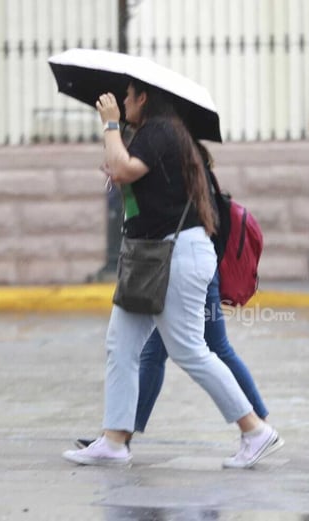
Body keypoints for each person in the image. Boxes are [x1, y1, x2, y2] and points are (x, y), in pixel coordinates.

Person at [62, 80, 283, 469]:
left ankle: (255, 430)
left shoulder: (162, 130)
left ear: (143, 98)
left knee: (190, 349)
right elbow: (126, 174)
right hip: (150, 257)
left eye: (127, 97)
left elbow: (125, 168)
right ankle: (114, 441)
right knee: (122, 345)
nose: (123, 103)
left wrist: (110, 126)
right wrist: (117, 143)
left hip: (176, 254)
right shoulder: (154, 133)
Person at [74, 145, 269, 444]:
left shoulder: (178, 159)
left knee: (209, 349)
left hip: (189, 267)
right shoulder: (185, 158)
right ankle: (119, 434)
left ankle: (257, 423)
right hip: (186, 265)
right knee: (160, 352)